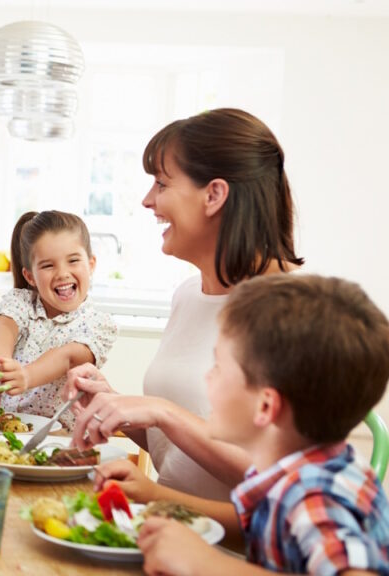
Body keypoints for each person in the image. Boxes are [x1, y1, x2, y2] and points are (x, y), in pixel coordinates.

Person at [65, 108, 303, 500]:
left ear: (214, 195)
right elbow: (178, 452)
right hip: (168, 532)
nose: (146, 200)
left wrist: (163, 412)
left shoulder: (295, 311)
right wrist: (116, 405)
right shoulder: (189, 294)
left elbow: (282, 491)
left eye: (161, 183)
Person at [134, 274, 389, 575]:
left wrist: (210, 564)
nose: (207, 378)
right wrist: (153, 498)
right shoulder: (287, 469)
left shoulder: (314, 494)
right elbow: (250, 525)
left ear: (266, 406)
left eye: (217, 366)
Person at [0, 210, 117, 429]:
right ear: (30, 276)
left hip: (60, 441)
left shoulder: (98, 323)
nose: (62, 273)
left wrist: (26, 376)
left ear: (91, 264)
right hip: (2, 433)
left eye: (73, 261)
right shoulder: (21, 302)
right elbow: (3, 326)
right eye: (48, 265)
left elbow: (68, 357)